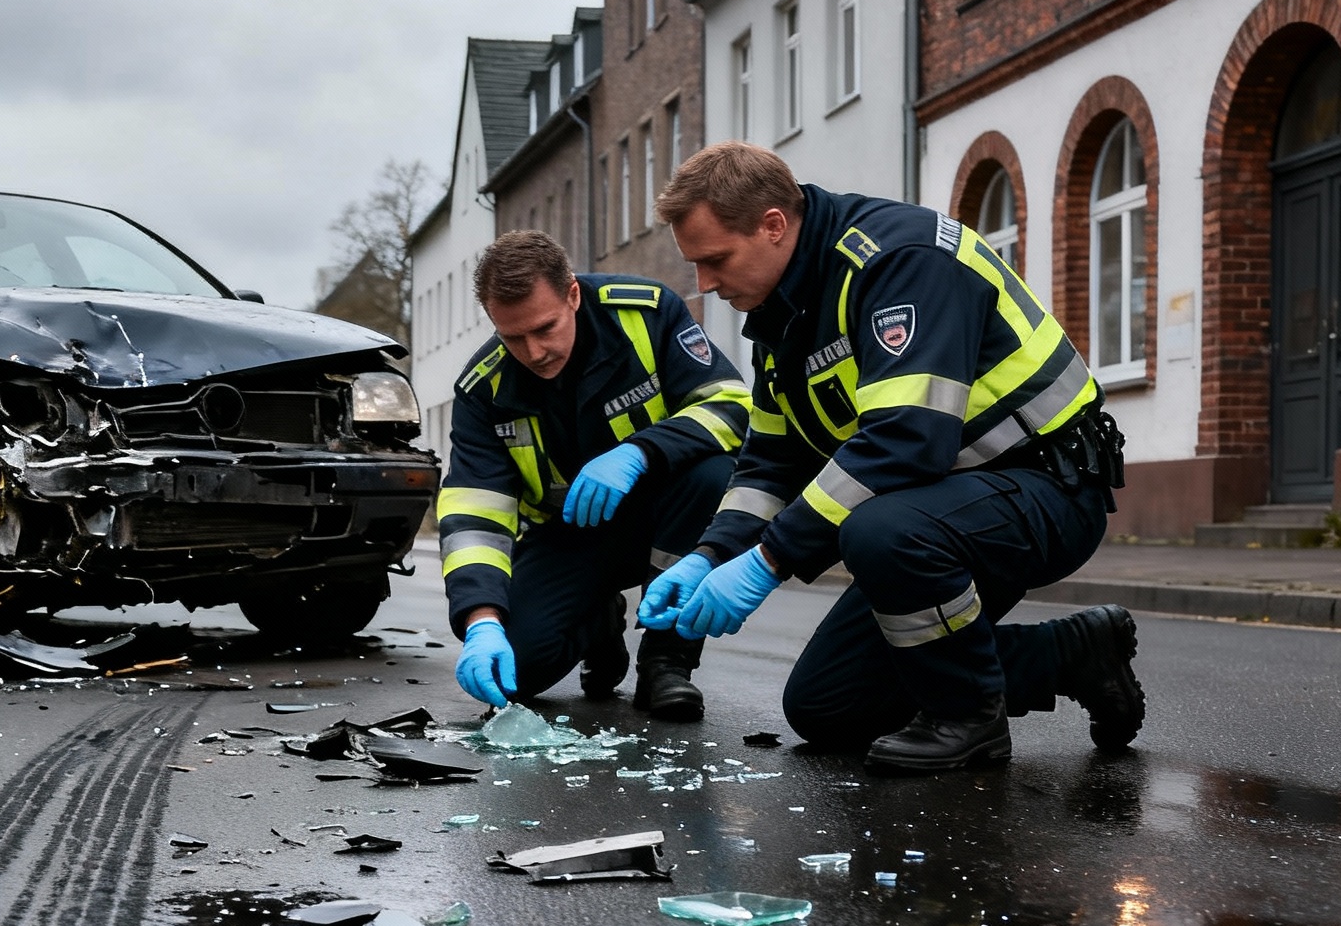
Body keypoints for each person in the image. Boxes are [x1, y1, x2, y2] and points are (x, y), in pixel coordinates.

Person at [637, 142, 1145, 772]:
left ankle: (969, 719)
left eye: (715, 260)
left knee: (879, 529)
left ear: (773, 225)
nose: (705, 285)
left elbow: (907, 440)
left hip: (1047, 488)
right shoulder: (785, 313)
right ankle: (1073, 653)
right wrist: (711, 555)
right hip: (941, 513)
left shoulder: (901, 260)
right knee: (827, 707)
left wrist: (768, 560)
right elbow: (769, 463)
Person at [439, 228, 752, 719]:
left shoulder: (646, 315)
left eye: (545, 329)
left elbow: (729, 406)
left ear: (573, 295)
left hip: (663, 515)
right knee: (515, 675)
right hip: (570, 536)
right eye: (513, 337)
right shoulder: (483, 388)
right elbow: (474, 514)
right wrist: (482, 621)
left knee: (711, 474)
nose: (534, 352)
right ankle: (599, 622)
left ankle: (666, 661)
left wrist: (641, 452)